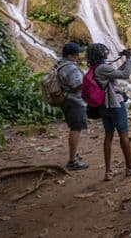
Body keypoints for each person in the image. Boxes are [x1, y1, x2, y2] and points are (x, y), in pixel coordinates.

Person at [86, 43, 131, 181]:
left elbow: (115, 73)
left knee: (108, 136)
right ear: (101, 54)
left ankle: (108, 171)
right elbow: (124, 75)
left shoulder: (95, 68)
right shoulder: (103, 67)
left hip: (103, 106)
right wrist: (129, 59)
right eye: (104, 51)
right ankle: (130, 167)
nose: (107, 53)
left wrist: (124, 59)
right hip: (114, 104)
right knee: (123, 134)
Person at [58, 42, 88, 171]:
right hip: (74, 101)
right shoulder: (70, 67)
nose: (78, 55)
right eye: (76, 53)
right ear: (71, 55)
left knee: (74, 127)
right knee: (76, 128)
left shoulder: (60, 64)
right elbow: (77, 85)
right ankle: (72, 161)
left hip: (66, 100)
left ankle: (74, 154)